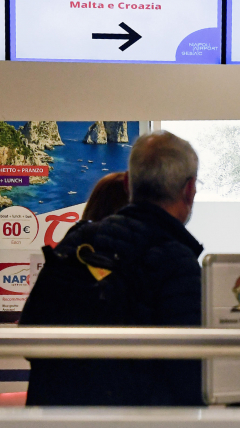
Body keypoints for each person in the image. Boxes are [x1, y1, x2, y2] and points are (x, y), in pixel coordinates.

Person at [21, 131, 204, 406]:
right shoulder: (177, 263)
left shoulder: (76, 243)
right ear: (189, 190)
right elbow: (190, 374)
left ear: (129, 184)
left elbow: (31, 336)